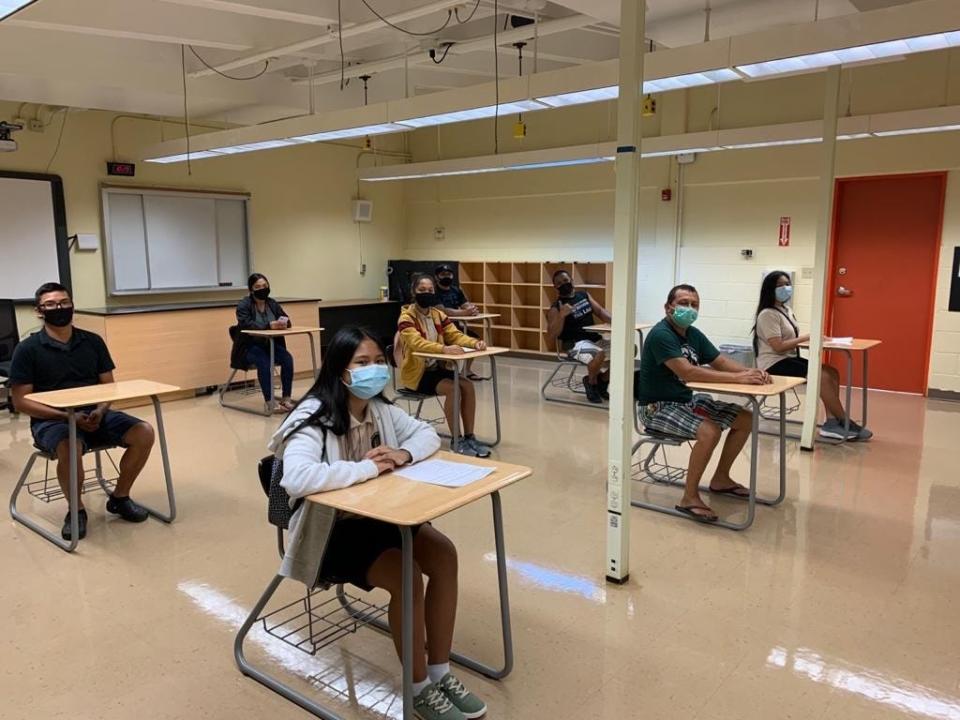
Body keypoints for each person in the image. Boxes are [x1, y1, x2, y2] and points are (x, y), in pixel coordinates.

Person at [268, 326, 486, 720]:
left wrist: (402, 454)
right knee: (408, 575)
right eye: (361, 363)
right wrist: (365, 469)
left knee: (444, 556)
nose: (374, 370)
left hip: (380, 517)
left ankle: (440, 672)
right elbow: (296, 478)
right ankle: (419, 688)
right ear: (340, 371)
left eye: (378, 362)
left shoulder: (380, 409)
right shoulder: (313, 416)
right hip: (332, 532)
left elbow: (425, 435)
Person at [9, 282, 156, 541]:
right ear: (39, 311)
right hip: (51, 419)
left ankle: (120, 498)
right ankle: (76, 510)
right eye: (51, 304)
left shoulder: (93, 341)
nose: (60, 308)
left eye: (64, 302)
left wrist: (100, 410)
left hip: (95, 414)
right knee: (70, 446)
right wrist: (67, 417)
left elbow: (108, 387)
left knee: (144, 432)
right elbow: (21, 402)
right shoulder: (27, 349)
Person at [635, 284, 771, 522]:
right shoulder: (661, 334)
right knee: (709, 431)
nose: (690, 308)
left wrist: (752, 372)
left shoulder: (693, 334)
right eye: (684, 303)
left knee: (747, 419)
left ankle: (721, 478)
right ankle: (689, 497)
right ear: (669, 308)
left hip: (685, 401)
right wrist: (738, 378)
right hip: (657, 408)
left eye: (694, 304)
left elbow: (720, 362)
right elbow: (688, 372)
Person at [753, 271, 871, 441]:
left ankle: (831, 422)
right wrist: (808, 337)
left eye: (787, 284)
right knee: (821, 375)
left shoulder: (785, 310)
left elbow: (790, 341)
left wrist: (814, 338)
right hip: (774, 363)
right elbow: (778, 346)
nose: (785, 288)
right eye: (779, 285)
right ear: (769, 289)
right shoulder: (767, 314)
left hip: (788, 358)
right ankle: (844, 421)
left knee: (831, 372)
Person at [397, 274, 491, 458]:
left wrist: (475, 343)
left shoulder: (438, 315)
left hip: (437, 370)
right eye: (422, 290)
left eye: (430, 290)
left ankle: (469, 437)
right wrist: (444, 349)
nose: (427, 293)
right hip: (418, 374)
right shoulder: (406, 317)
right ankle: (456, 440)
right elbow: (417, 344)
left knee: (468, 385)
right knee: (454, 389)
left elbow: (455, 335)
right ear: (413, 293)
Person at [545, 269, 612, 403]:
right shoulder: (556, 307)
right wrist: (561, 315)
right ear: (555, 287)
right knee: (598, 354)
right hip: (574, 344)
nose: (563, 284)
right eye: (559, 283)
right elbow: (552, 334)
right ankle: (592, 384)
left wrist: (617, 323)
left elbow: (599, 311)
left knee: (626, 352)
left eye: (565, 280)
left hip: (594, 339)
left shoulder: (584, 295)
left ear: (571, 281)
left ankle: (602, 380)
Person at [236, 273, 295, 413]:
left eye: (265, 286)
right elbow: (246, 325)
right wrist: (269, 325)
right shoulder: (244, 305)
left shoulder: (272, 303)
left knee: (287, 359)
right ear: (251, 290)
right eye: (258, 287)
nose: (262, 289)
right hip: (250, 347)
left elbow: (287, 320)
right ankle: (270, 402)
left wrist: (283, 323)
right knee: (264, 361)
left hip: (271, 345)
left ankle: (286, 399)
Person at [434, 264, 484, 382]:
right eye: (443, 274)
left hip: (455, 327)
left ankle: (466, 371)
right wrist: (464, 312)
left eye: (449, 274)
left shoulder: (456, 290)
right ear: (437, 277)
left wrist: (471, 309)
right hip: (439, 329)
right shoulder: (434, 291)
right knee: (444, 345)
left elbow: (465, 304)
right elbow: (444, 311)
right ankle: (444, 373)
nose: (447, 277)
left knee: (474, 339)